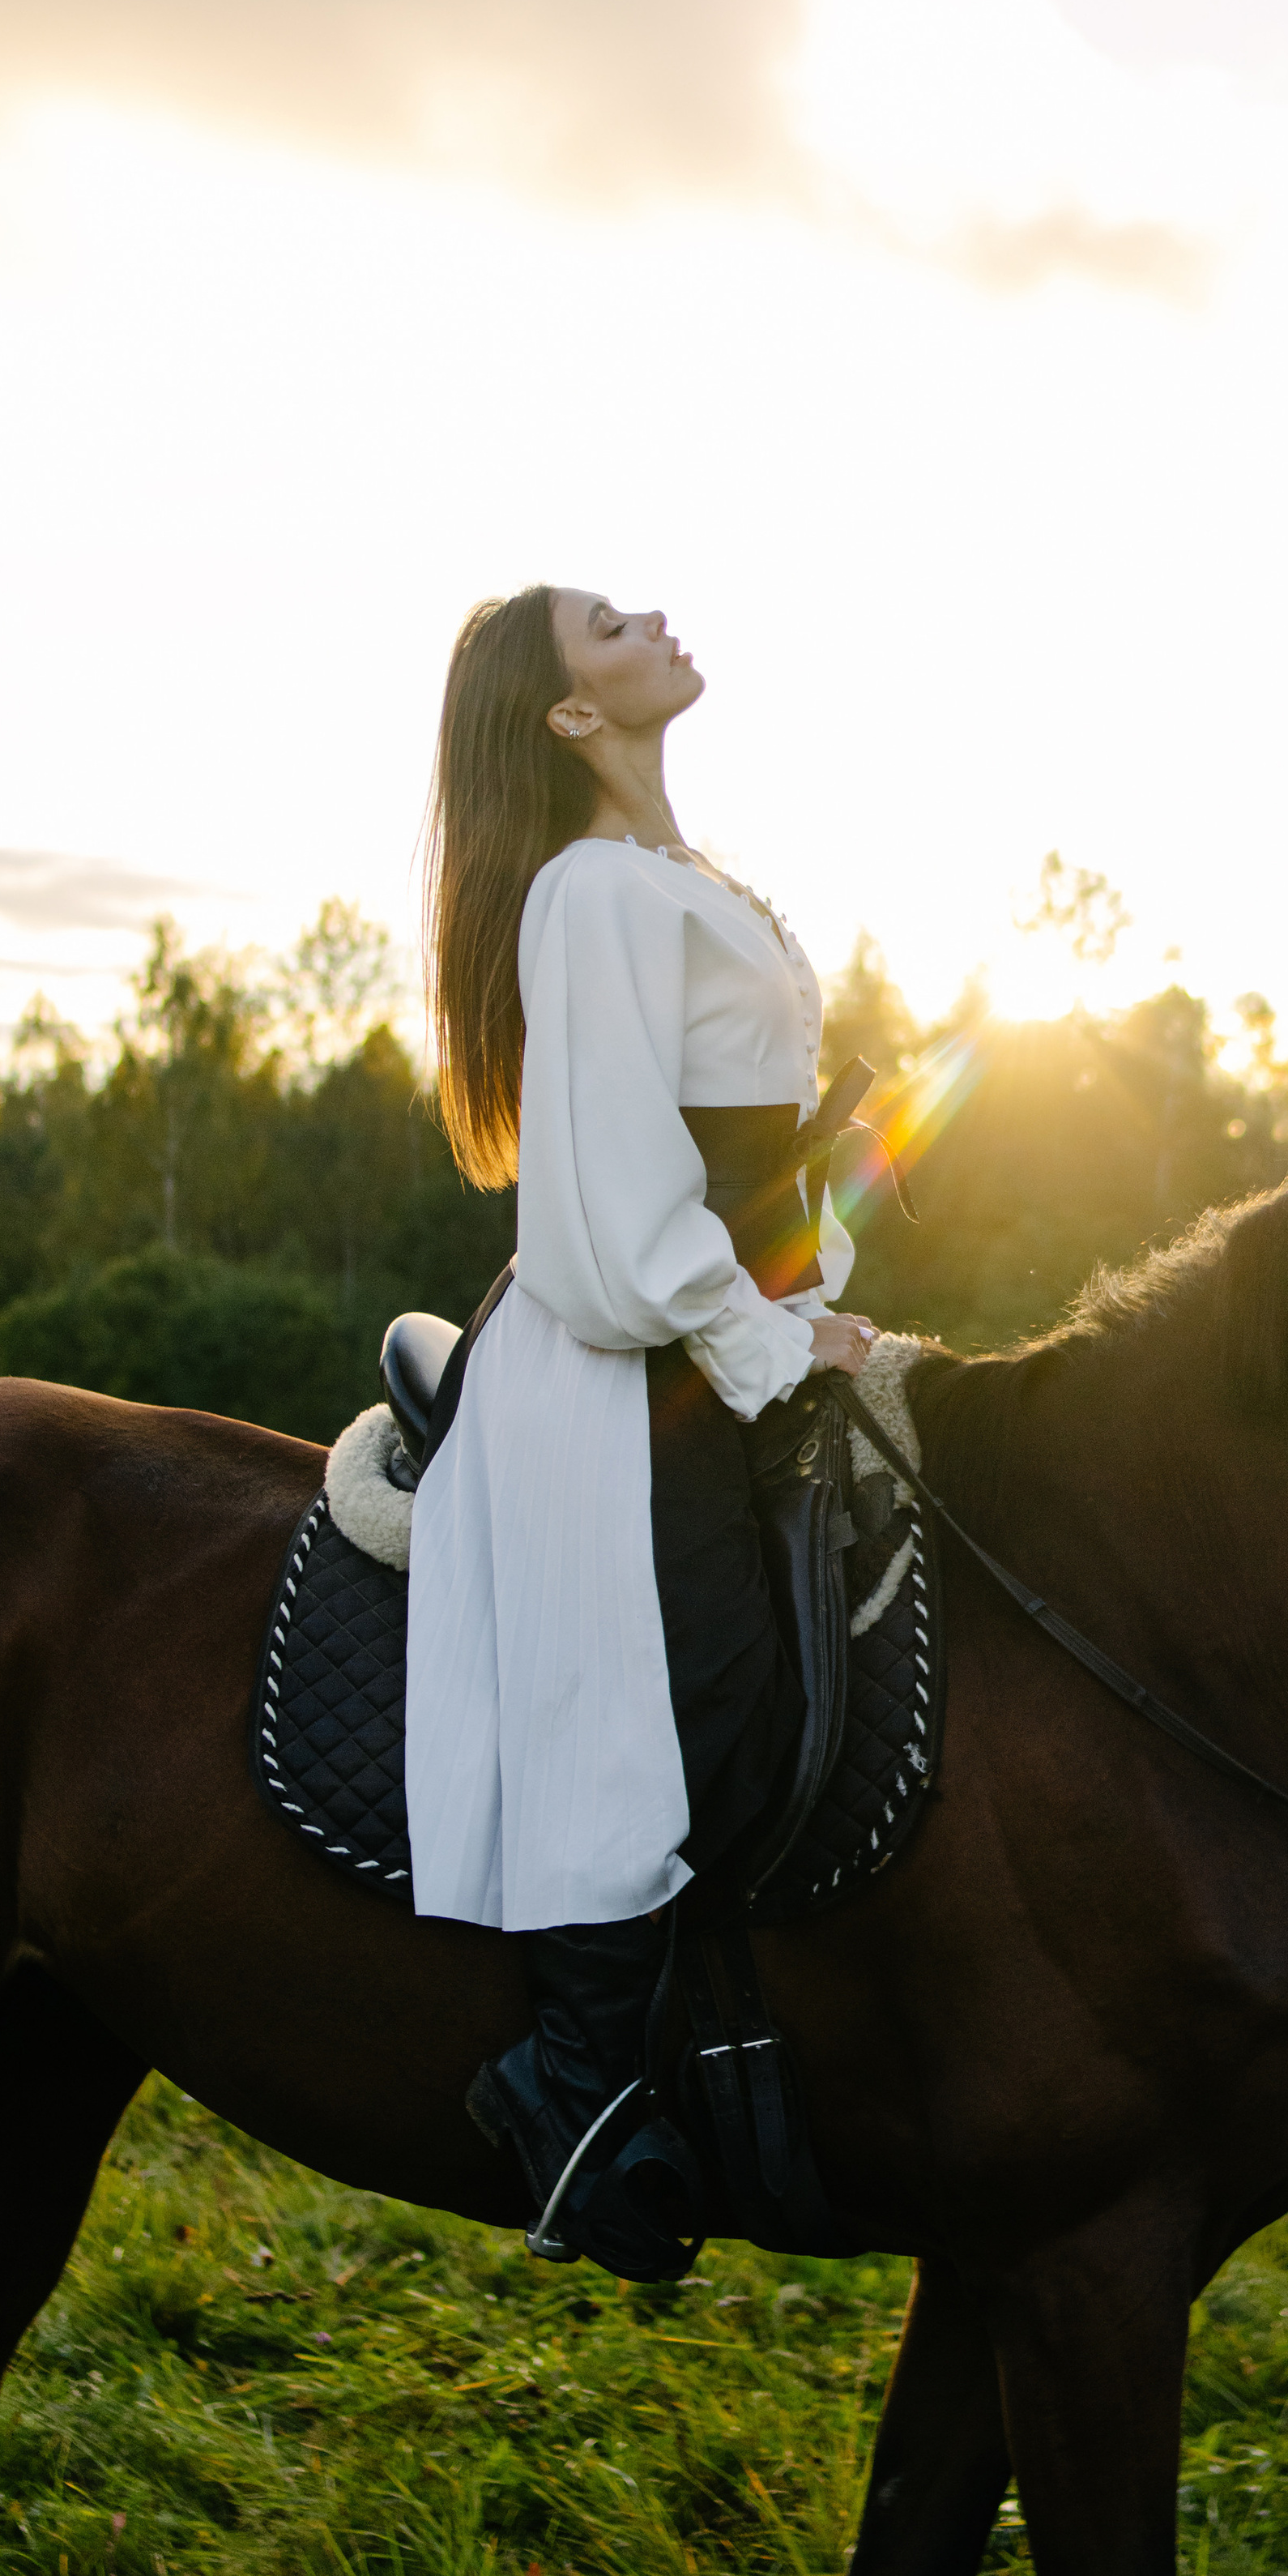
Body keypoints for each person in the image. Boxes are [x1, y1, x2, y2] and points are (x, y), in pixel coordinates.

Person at [407, 583, 875, 2276]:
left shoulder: (683, 877)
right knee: (698, 1705)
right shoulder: (592, 890)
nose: (653, 618)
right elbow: (610, 1193)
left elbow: (749, 1154)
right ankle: (578, 2082)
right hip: (626, 1361)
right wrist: (762, 1337)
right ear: (568, 714)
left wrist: (815, 1289)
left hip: (715, 1322)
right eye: (609, 626)